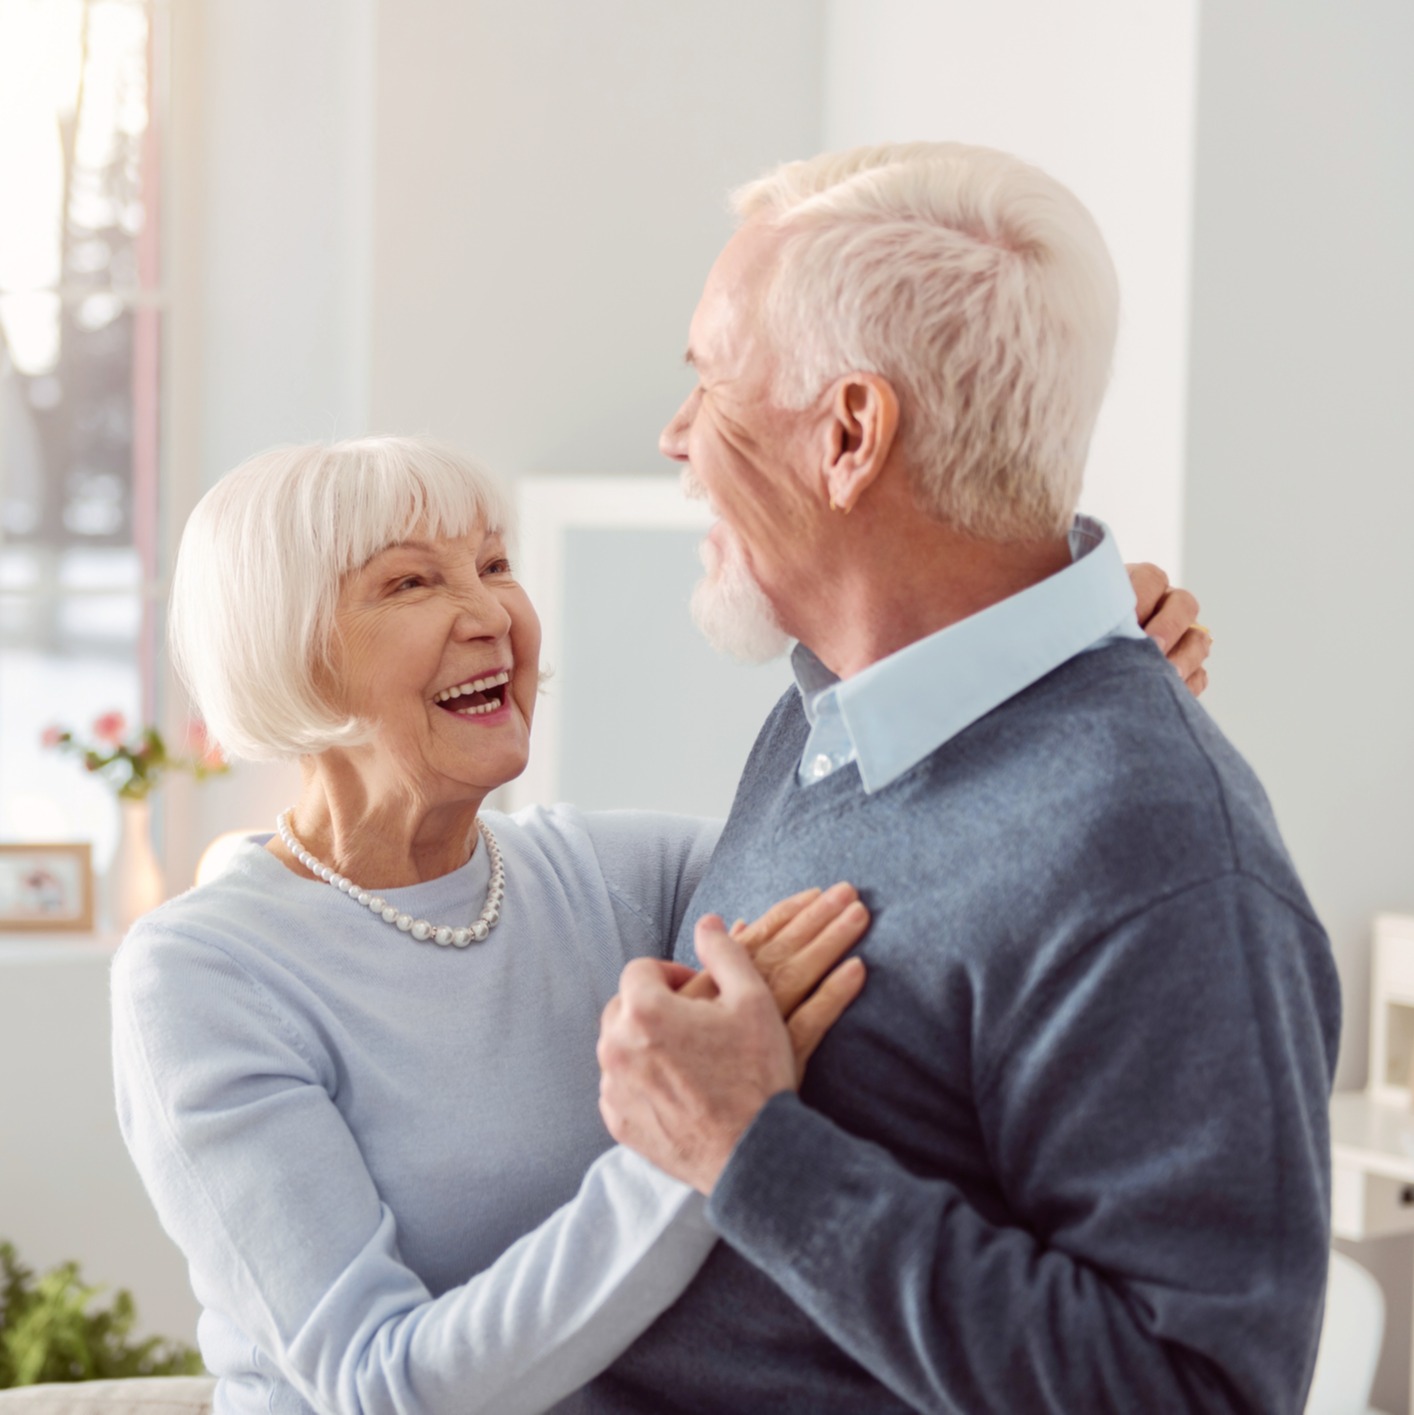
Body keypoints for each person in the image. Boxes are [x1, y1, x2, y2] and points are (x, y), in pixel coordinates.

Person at [589, 143, 1340, 1413]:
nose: (673, 437)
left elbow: (1193, 1393)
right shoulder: (830, 719)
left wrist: (753, 1152)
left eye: (708, 382)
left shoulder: (1158, 854)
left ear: (848, 434)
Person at [110, 436, 873, 1415]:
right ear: (291, 645)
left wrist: (1083, 661)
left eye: (495, 564)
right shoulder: (202, 972)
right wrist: (694, 1142)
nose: (490, 615)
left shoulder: (612, 873)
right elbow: (379, 1383)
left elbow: (900, 842)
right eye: (411, 581)